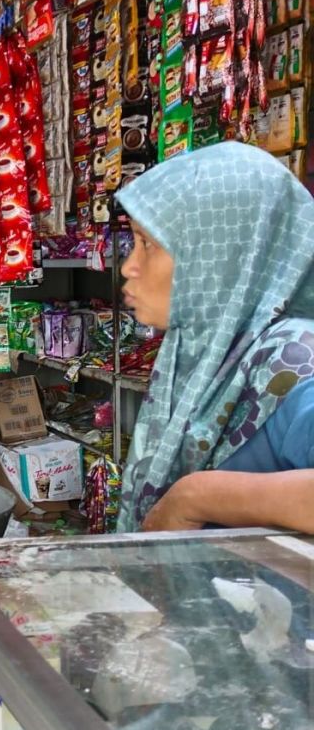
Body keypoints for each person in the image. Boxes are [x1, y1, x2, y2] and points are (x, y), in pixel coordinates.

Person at [115, 141, 314, 533]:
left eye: (148, 245)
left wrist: (196, 497)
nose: (128, 267)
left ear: (218, 255)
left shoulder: (294, 361)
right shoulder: (205, 350)